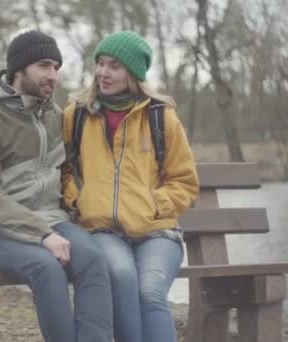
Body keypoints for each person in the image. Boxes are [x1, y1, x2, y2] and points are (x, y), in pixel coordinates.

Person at [0, 30, 113, 342]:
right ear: (18, 69)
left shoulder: (55, 116)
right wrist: (41, 235)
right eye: (44, 65)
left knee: (94, 259)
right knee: (47, 268)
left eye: (56, 67)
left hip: (52, 222)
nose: (52, 75)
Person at [62, 31, 200, 342]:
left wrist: (153, 206)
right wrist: (79, 199)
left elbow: (184, 180)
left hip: (157, 231)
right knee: (122, 276)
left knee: (149, 292)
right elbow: (64, 170)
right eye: (100, 63)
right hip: (102, 230)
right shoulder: (77, 114)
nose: (103, 72)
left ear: (133, 73)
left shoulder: (160, 116)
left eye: (114, 66)